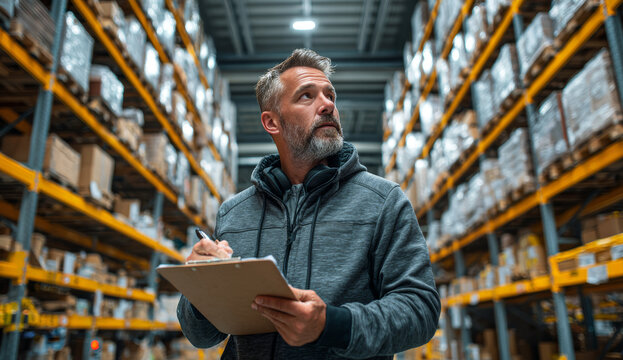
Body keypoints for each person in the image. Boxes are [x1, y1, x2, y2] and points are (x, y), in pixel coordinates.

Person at [177, 49, 440, 359]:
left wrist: (331, 325)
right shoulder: (234, 213)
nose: (327, 104)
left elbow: (420, 311)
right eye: (307, 96)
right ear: (272, 122)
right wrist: (201, 289)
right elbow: (202, 337)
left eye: (330, 95)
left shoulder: (382, 202)